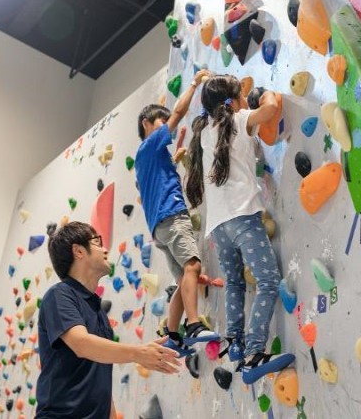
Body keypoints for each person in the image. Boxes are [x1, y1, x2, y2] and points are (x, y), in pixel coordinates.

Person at [185, 75, 295, 385]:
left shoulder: (203, 133)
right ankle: (254, 354)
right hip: (243, 218)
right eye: (242, 96)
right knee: (268, 281)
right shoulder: (239, 118)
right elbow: (270, 109)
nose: (246, 100)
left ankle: (235, 344)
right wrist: (267, 93)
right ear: (233, 102)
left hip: (218, 227)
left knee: (234, 282)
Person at [37, 221, 180, 418]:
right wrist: (138, 353)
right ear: (79, 251)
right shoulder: (59, 295)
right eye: (97, 242)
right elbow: (81, 344)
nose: (105, 250)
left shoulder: (97, 309)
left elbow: (100, 377)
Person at [135, 69, 219, 357]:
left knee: (184, 279)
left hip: (159, 228)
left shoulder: (147, 158)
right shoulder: (149, 145)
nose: (166, 126)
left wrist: (173, 159)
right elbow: (179, 112)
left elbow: (160, 179)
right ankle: (193, 325)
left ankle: (172, 335)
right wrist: (194, 83)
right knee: (193, 266)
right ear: (147, 124)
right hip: (172, 217)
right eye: (161, 122)